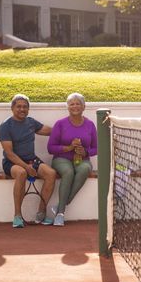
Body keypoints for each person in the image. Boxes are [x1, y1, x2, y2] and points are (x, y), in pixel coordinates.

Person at [0, 93, 56, 228]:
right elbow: (9, 153)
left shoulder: (31, 122)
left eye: (25, 107)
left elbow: (49, 131)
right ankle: (17, 216)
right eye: (18, 106)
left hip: (31, 160)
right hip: (11, 163)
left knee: (51, 174)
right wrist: (26, 166)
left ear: (28, 109)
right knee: (21, 173)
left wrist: (69, 131)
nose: (22, 109)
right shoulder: (5, 126)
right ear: (12, 108)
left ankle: (41, 213)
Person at [47, 92, 97, 226]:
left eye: (78, 103)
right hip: (61, 159)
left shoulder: (90, 125)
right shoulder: (60, 124)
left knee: (86, 168)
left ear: (84, 106)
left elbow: (96, 148)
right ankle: (60, 214)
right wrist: (69, 148)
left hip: (82, 160)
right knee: (68, 172)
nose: (75, 106)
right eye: (72, 104)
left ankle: (60, 205)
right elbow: (50, 148)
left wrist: (85, 151)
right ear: (68, 107)